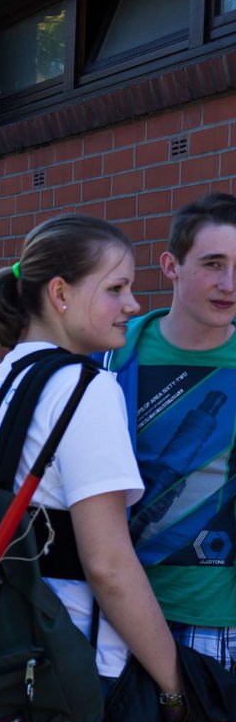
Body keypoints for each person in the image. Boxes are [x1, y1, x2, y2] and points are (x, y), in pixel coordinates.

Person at [0, 215, 184, 722]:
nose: (133, 305)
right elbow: (107, 565)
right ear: (60, 294)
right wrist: (174, 687)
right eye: (115, 289)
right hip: (75, 677)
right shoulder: (87, 388)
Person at [105, 192, 236, 671]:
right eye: (213, 263)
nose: (228, 284)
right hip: (109, 606)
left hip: (213, 614)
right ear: (171, 265)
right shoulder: (111, 354)